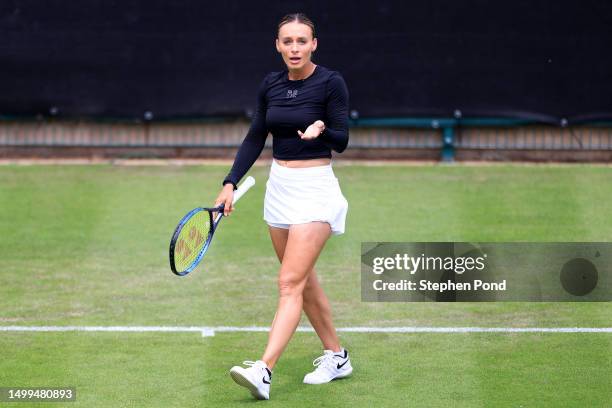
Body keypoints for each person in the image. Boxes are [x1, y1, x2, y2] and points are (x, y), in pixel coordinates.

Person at [214, 13, 351, 400]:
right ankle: (337, 356)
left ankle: (264, 369)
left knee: (289, 282)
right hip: (280, 188)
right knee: (303, 282)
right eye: (287, 41)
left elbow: (343, 140)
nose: (294, 48)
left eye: (301, 41)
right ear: (278, 45)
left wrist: (321, 129)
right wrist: (229, 183)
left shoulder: (330, 82)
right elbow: (256, 135)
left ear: (314, 44)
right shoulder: (270, 85)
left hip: (315, 189)